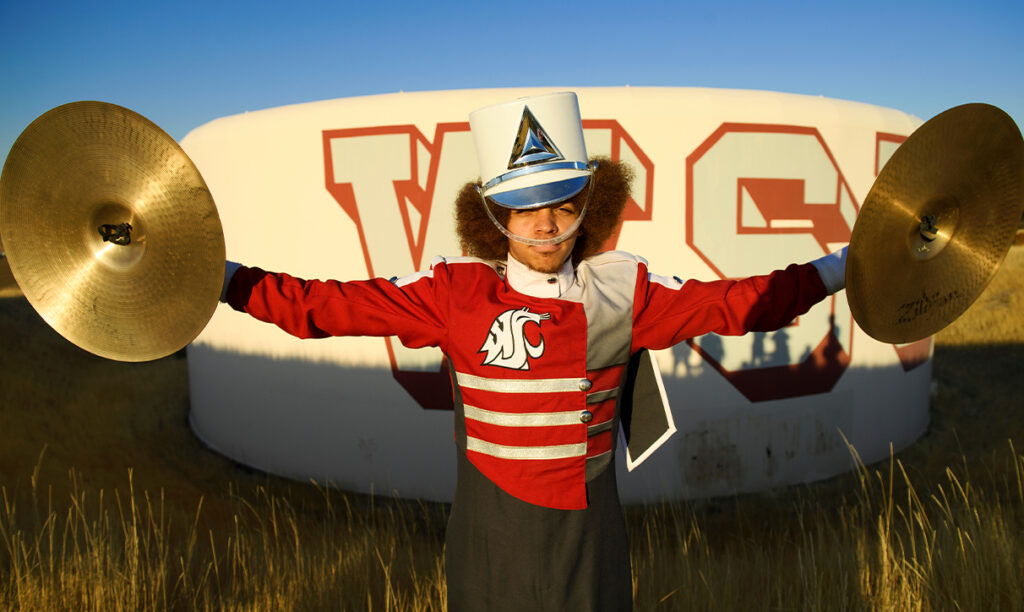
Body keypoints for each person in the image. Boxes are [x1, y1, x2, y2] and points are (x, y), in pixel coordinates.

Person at [220, 92, 847, 611]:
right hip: (489, 539)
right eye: (524, 210)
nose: (546, 227)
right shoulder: (452, 293)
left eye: (564, 207)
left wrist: (843, 268)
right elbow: (323, 306)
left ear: (589, 209)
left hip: (589, 540)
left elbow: (743, 301)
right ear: (494, 217)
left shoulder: (625, 292)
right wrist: (222, 280)